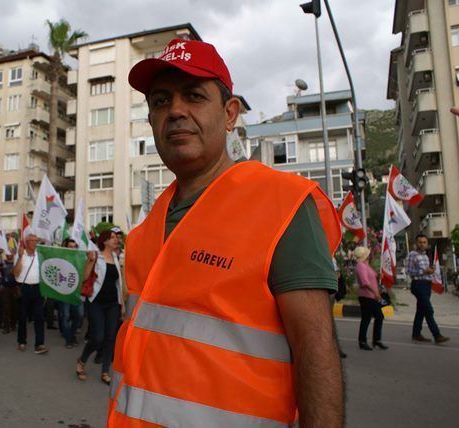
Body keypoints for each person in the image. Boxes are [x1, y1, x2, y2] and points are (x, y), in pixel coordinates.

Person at [107, 39, 344, 427]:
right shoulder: (143, 232)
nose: (176, 111)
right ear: (150, 120)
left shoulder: (281, 204)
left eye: (194, 96)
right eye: (161, 101)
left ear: (230, 113)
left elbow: (316, 350)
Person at [76, 230, 123, 385]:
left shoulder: (116, 258)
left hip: (112, 304)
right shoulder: (96, 256)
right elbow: (85, 277)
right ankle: (82, 361)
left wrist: (121, 303)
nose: (116, 239)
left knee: (110, 338)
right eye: (112, 237)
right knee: (98, 337)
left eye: (117, 237)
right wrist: (89, 262)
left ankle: (105, 371)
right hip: (96, 302)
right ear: (104, 241)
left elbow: (119, 283)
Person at [406, 234, 450, 344]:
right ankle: (437, 335)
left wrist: (431, 271)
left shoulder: (426, 256)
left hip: (426, 284)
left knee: (421, 311)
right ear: (416, 243)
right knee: (429, 310)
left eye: (424, 242)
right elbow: (409, 271)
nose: (422, 244)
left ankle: (416, 334)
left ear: (427, 244)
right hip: (418, 284)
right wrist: (424, 271)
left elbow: (427, 271)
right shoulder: (412, 254)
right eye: (420, 242)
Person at [14, 232, 48, 354]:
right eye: (32, 241)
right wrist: (19, 257)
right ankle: (22, 341)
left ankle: (39, 344)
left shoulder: (40, 255)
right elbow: (16, 273)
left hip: (38, 288)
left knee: (39, 317)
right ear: (26, 242)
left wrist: (45, 291)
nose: (34, 243)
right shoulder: (20, 255)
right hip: (24, 289)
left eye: (36, 241)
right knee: (22, 317)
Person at [353, 246, 387, 350]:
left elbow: (372, 277)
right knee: (368, 318)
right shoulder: (360, 266)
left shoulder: (365, 265)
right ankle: (363, 341)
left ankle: (376, 340)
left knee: (377, 317)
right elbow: (365, 282)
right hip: (366, 296)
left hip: (371, 296)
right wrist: (375, 293)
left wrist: (378, 276)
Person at [58, 238, 86, 348]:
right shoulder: (60, 259)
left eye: (75, 247)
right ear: (65, 248)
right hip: (64, 293)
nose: (73, 249)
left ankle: (71, 333)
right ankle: (69, 339)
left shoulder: (80, 259)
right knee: (65, 315)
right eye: (70, 247)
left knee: (80, 315)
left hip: (77, 293)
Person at [0, 252, 19, 334]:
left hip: (15, 287)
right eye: (7, 253)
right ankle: (6, 327)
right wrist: (0, 284)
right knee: (6, 308)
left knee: (15, 308)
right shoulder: (2, 264)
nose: (9, 254)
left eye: (11, 252)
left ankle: (13, 325)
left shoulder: (17, 263)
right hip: (5, 288)